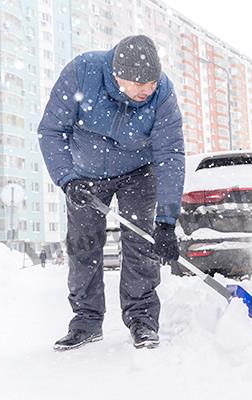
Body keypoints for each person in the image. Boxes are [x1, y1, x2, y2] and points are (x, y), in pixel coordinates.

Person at [38, 35, 185, 351]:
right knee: (83, 245)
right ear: (117, 76)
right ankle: (86, 322)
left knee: (141, 243)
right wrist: (67, 179)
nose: (146, 90)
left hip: (138, 173)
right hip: (85, 177)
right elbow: (51, 131)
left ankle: (142, 321)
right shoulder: (82, 73)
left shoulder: (162, 93)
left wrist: (167, 221)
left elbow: (171, 154)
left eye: (151, 83)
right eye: (138, 84)